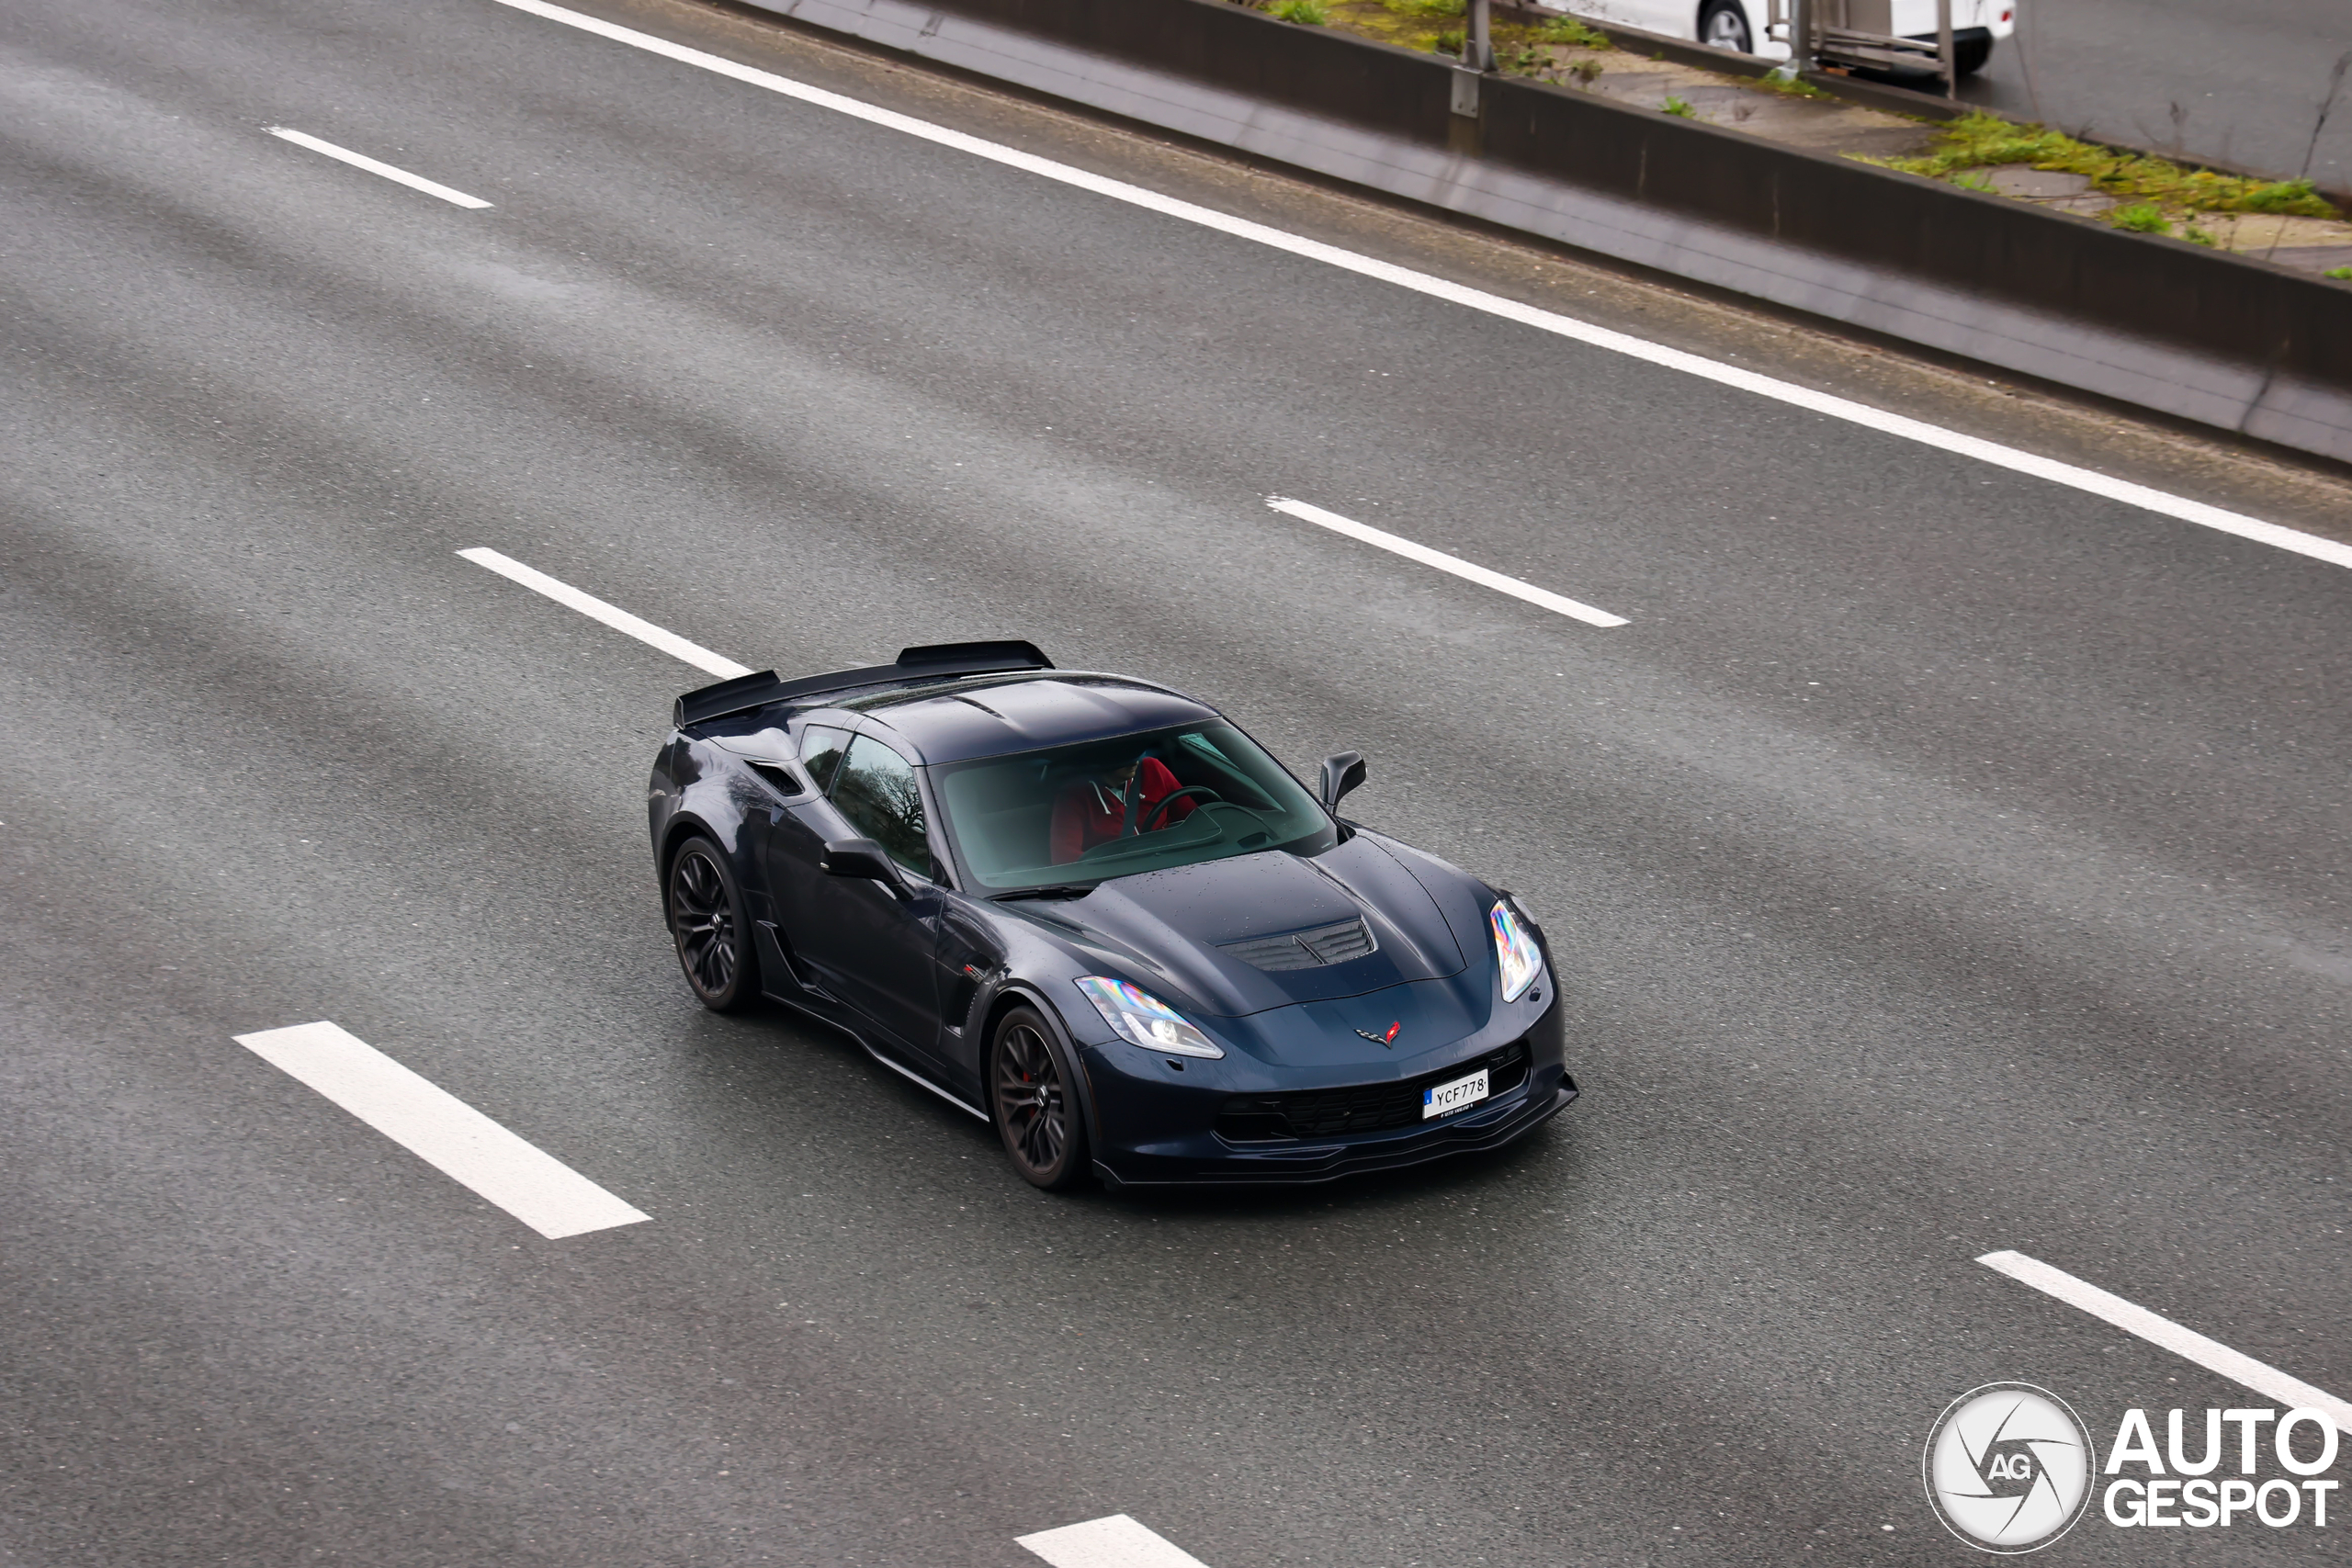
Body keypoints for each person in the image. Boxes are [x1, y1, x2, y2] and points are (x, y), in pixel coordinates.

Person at [1049, 755, 1195, 863]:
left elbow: (1195, 819)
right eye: (1122, 754)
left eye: (1135, 750)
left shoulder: (1152, 768)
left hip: (1174, 865)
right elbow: (1065, 859)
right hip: (1117, 881)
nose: (1134, 760)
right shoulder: (1074, 795)